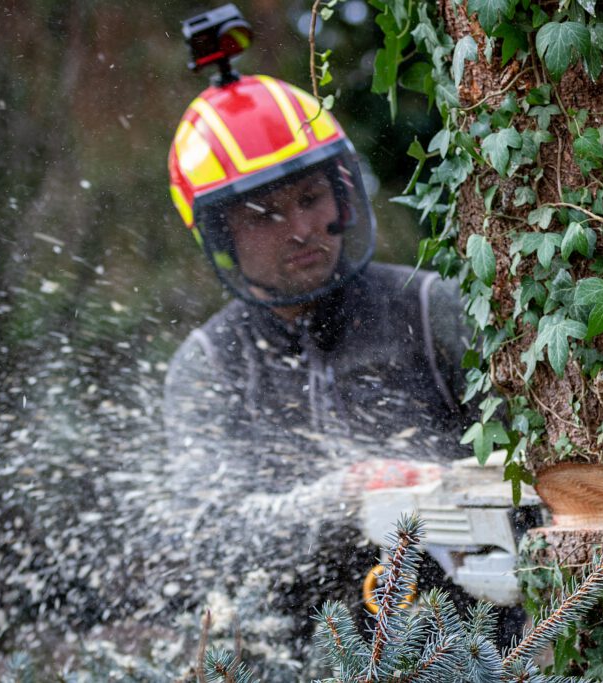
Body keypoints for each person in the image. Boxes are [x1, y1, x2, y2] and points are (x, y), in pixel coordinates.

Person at [160, 56, 475, 678]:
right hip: (296, 660)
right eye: (264, 215)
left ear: (342, 193)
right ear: (220, 236)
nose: (301, 229)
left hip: (470, 645)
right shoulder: (210, 365)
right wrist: (346, 494)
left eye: (309, 198)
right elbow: (210, 535)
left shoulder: (426, 306)